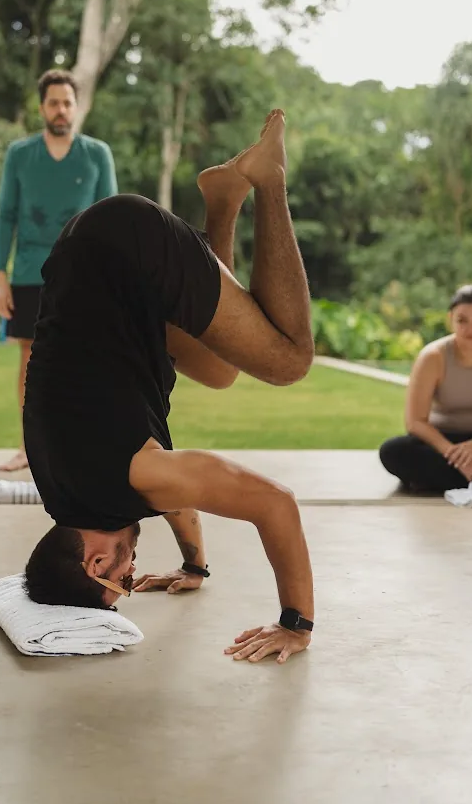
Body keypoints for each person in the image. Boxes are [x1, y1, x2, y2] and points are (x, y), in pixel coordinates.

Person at [23, 109, 317, 665]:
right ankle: (224, 199)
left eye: (122, 583)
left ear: (96, 565)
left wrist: (295, 624)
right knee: (220, 370)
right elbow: (171, 492)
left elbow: (275, 505)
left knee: (288, 361)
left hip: (130, 250)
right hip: (91, 262)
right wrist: (194, 566)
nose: (132, 574)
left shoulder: (136, 478)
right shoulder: (63, 490)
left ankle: (269, 177)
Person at [0, 69, 118, 473]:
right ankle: (29, 447)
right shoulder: (20, 154)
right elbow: (6, 215)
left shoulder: (97, 153)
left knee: (86, 358)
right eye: (53, 102)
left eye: (67, 102)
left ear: (76, 107)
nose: (60, 110)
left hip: (82, 275)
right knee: (30, 359)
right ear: (42, 107)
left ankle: (81, 445)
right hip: (29, 271)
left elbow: (111, 218)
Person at [379, 284, 472, 494]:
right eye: (462, 320)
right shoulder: (432, 357)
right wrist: (457, 457)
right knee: (393, 452)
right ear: (451, 320)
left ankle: (437, 482)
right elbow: (415, 422)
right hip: (439, 445)